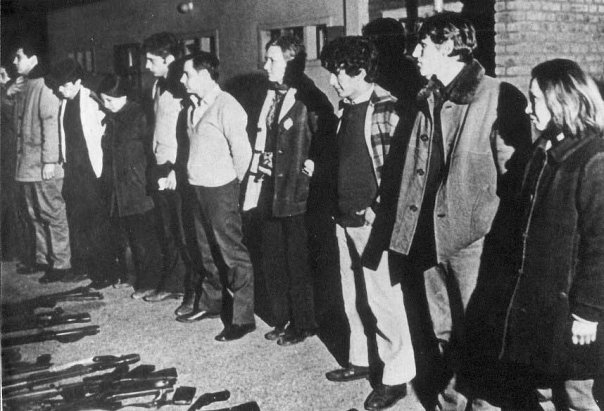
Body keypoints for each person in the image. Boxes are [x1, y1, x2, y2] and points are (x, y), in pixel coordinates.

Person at [385, 12, 531, 410]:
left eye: (422, 46)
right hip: (428, 238)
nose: (415, 55)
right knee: (442, 331)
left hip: (474, 243)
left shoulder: (498, 96)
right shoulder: (427, 97)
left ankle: (482, 405)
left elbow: (517, 179)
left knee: (479, 334)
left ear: (449, 47)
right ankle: (451, 402)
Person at [498, 59, 604, 411]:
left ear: (562, 102)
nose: (527, 109)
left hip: (573, 311)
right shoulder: (543, 152)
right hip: (541, 306)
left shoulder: (594, 160)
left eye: (535, 100)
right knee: (542, 390)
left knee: (576, 394)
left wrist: (588, 312)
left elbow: (600, 247)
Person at [319, 36, 415, 411]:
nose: (333, 81)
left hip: (373, 222)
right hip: (343, 218)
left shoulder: (389, 109)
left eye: (338, 73)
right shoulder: (345, 109)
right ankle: (361, 359)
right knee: (352, 297)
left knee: (383, 302)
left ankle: (395, 377)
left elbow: (401, 173)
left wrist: (377, 211)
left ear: (360, 72)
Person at [243, 35, 333, 346]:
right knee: (273, 258)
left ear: (291, 63)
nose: (265, 65)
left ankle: (304, 323)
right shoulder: (269, 94)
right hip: (270, 190)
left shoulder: (309, 96)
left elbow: (326, 137)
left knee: (297, 262)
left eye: (273, 60)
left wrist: (311, 166)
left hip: (296, 194)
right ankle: (282, 318)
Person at [176, 52, 255, 342]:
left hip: (221, 190)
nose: (182, 79)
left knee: (231, 253)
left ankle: (243, 318)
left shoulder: (227, 106)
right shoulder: (192, 106)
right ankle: (212, 303)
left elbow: (243, 153)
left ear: (205, 75)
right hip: (197, 188)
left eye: (187, 74)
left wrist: (233, 187)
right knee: (205, 251)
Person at [45, 58, 119, 289]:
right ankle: (86, 267)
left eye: (65, 85)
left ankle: (106, 272)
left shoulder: (92, 100)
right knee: (78, 222)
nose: (60, 89)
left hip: (92, 172)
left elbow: (106, 130)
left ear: (78, 82)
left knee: (97, 223)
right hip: (73, 172)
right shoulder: (65, 102)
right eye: (58, 85)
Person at [12, 39, 79, 283]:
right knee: (34, 214)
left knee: (52, 214)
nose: (14, 62)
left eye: (18, 57)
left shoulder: (45, 85)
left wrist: (50, 160)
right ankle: (43, 259)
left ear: (33, 59)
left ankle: (61, 263)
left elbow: (51, 124)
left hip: (44, 166)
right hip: (27, 165)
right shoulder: (25, 84)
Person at [98, 74, 163, 298]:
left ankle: (149, 282)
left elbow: (151, 151)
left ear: (124, 96)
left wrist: (147, 179)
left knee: (143, 238)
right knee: (126, 236)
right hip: (118, 188)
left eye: (110, 100)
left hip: (138, 187)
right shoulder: (112, 118)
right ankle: (132, 276)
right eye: (103, 100)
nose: (106, 105)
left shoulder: (139, 116)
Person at [141, 32, 194, 305]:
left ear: (169, 59)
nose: (146, 66)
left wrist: (176, 168)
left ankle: (188, 287)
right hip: (159, 164)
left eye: (152, 60)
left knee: (181, 230)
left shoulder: (181, 88)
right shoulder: (157, 86)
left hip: (175, 168)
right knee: (166, 228)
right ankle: (173, 282)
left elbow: (187, 133)